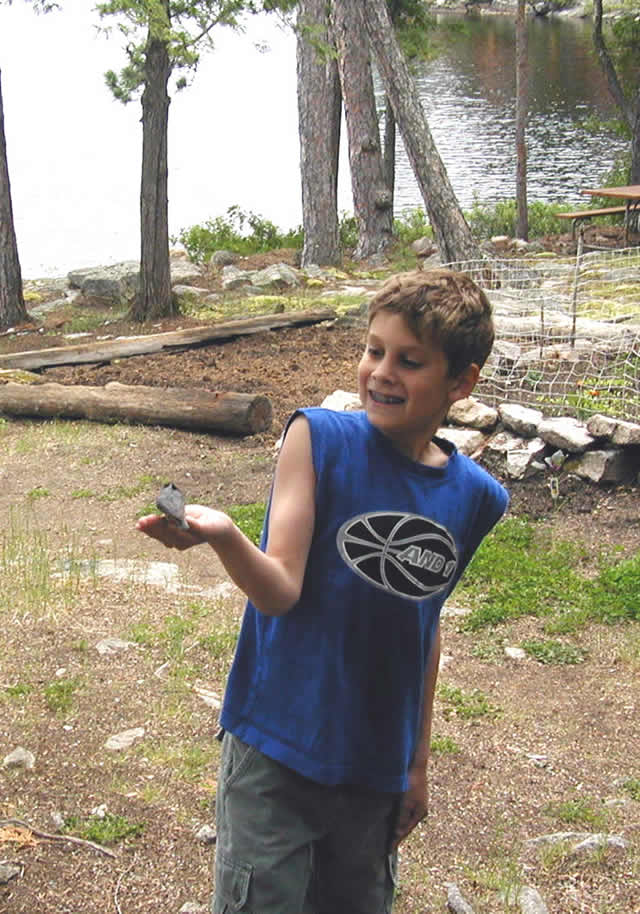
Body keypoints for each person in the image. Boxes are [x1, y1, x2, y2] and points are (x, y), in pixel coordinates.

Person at [136, 268, 509, 914]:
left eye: (409, 360)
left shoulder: (476, 498)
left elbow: (427, 627)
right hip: (278, 750)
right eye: (374, 350)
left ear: (462, 382)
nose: (382, 372)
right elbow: (279, 589)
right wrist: (223, 533)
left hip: (374, 767)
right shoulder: (317, 438)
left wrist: (415, 765)